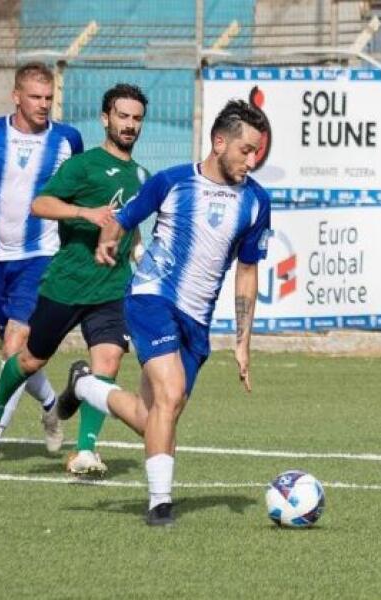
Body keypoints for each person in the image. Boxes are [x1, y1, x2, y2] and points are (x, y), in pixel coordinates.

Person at [58, 100, 271, 525]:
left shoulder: (256, 202)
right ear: (219, 141)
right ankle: (160, 504)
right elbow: (124, 216)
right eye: (246, 150)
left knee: (155, 414)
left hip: (196, 321)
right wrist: (107, 238)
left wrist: (243, 342)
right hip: (152, 298)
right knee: (169, 393)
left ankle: (85, 386)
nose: (252, 160)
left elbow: (247, 272)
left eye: (257, 152)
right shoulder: (171, 182)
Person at [0, 84, 149, 475]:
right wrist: (87, 214)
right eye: (123, 116)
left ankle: (85, 450)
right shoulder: (82, 166)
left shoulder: (140, 176)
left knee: (109, 361)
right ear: (106, 118)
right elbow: (40, 204)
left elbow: (129, 225)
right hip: (68, 283)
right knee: (31, 359)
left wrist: (137, 250)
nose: (129, 125)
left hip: (112, 288)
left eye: (136, 118)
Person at [0, 62, 84, 462]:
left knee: (15, 343)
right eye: (35, 97)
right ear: (16, 96)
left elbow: (77, 194)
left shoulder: (67, 140)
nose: (44, 105)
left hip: (42, 256)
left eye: (49, 98)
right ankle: (50, 406)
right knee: (12, 355)